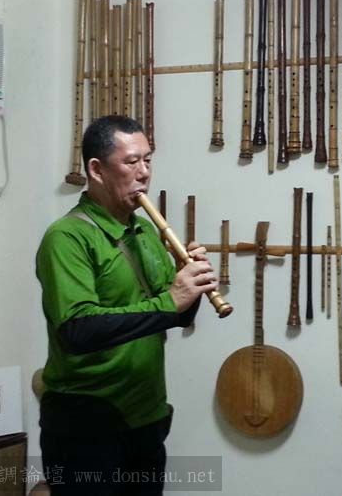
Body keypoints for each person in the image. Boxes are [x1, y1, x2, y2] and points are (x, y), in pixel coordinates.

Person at [35, 115, 218, 495]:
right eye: (132, 162)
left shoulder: (145, 230)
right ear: (97, 170)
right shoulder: (66, 237)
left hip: (145, 419)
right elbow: (78, 329)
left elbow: (174, 315)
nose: (144, 172)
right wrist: (171, 299)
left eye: (148, 160)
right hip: (86, 427)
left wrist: (191, 285)